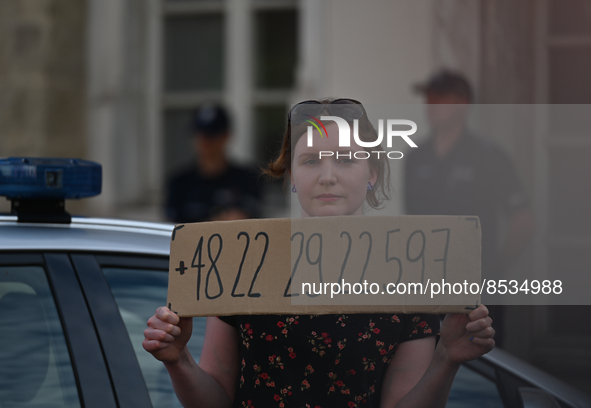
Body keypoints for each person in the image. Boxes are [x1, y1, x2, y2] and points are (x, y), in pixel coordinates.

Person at [144, 98, 495, 407]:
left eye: (344, 160)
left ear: (372, 172)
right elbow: (215, 400)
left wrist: (447, 357)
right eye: (311, 161)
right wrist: (179, 361)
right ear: (293, 175)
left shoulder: (406, 271)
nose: (328, 176)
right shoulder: (246, 259)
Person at [405, 70, 535, 347]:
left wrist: (494, 269)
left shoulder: (489, 156)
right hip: (428, 288)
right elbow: (411, 223)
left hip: (478, 290)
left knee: (481, 368)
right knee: (427, 363)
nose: (430, 105)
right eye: (428, 98)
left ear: (463, 104)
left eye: (439, 98)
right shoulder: (416, 158)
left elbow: (523, 220)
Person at [165, 103, 261, 223]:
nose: (205, 141)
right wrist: (220, 222)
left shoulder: (248, 180)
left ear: (225, 136)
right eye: (200, 134)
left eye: (211, 134)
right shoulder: (179, 184)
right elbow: (173, 230)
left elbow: (256, 222)